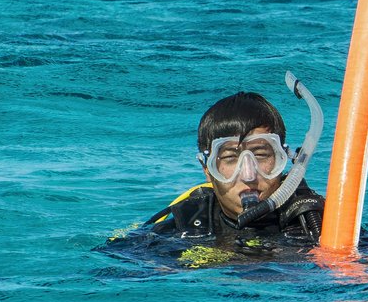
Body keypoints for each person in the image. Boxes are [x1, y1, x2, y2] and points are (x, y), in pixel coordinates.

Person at [106, 76, 330, 266]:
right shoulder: (186, 227)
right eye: (231, 158)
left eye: (261, 155)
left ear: (283, 159)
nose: (248, 175)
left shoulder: (317, 222)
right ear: (207, 169)